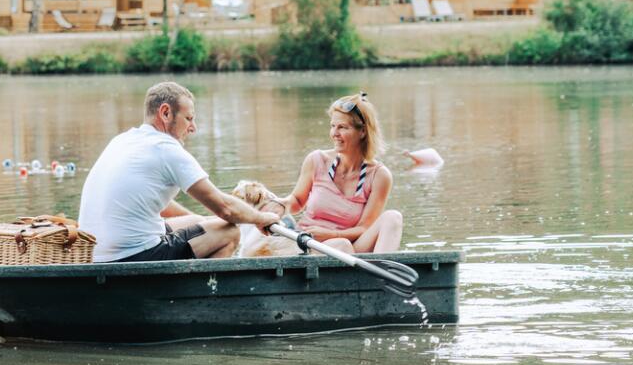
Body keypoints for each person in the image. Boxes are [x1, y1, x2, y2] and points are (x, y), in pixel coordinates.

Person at [79, 82, 282, 263]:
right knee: (229, 231)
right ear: (166, 113)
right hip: (131, 256)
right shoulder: (166, 148)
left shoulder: (122, 140)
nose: (193, 128)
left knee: (200, 222)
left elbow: (153, 201)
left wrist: (203, 222)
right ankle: (201, 290)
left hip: (95, 254)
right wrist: (261, 218)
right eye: (188, 118)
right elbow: (225, 208)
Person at [281, 92, 403, 254]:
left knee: (393, 218)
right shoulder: (316, 160)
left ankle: (382, 269)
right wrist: (280, 205)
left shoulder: (379, 176)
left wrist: (332, 235)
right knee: (342, 246)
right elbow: (297, 201)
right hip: (309, 246)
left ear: (363, 131)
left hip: (350, 249)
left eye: (342, 127)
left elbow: (364, 228)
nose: (334, 133)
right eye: (333, 126)